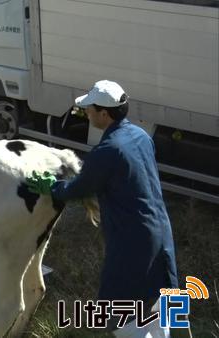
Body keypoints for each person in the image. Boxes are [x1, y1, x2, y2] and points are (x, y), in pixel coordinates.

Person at [26, 80, 179, 337]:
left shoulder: (107, 151)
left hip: (133, 243)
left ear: (104, 114)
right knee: (157, 307)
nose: (86, 113)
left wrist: (51, 187)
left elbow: (78, 189)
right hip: (161, 234)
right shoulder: (141, 136)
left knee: (124, 317)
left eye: (90, 109)